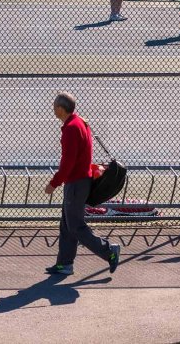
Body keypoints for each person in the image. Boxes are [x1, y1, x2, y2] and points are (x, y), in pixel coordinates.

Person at [43, 92, 121, 277]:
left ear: (61, 109)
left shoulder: (71, 128)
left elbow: (68, 162)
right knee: (66, 223)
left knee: (76, 226)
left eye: (54, 106)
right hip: (80, 182)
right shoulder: (79, 123)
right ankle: (65, 264)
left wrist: (54, 183)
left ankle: (109, 250)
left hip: (76, 184)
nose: (53, 109)